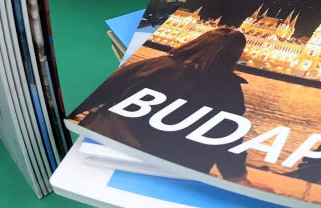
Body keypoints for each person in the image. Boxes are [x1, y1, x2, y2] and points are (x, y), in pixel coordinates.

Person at [71, 27, 249, 182]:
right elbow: (227, 139)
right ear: (234, 57)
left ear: (199, 42)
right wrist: (235, 174)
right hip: (167, 171)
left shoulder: (158, 65)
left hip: (105, 142)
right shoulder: (230, 92)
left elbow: (103, 90)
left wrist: (69, 112)